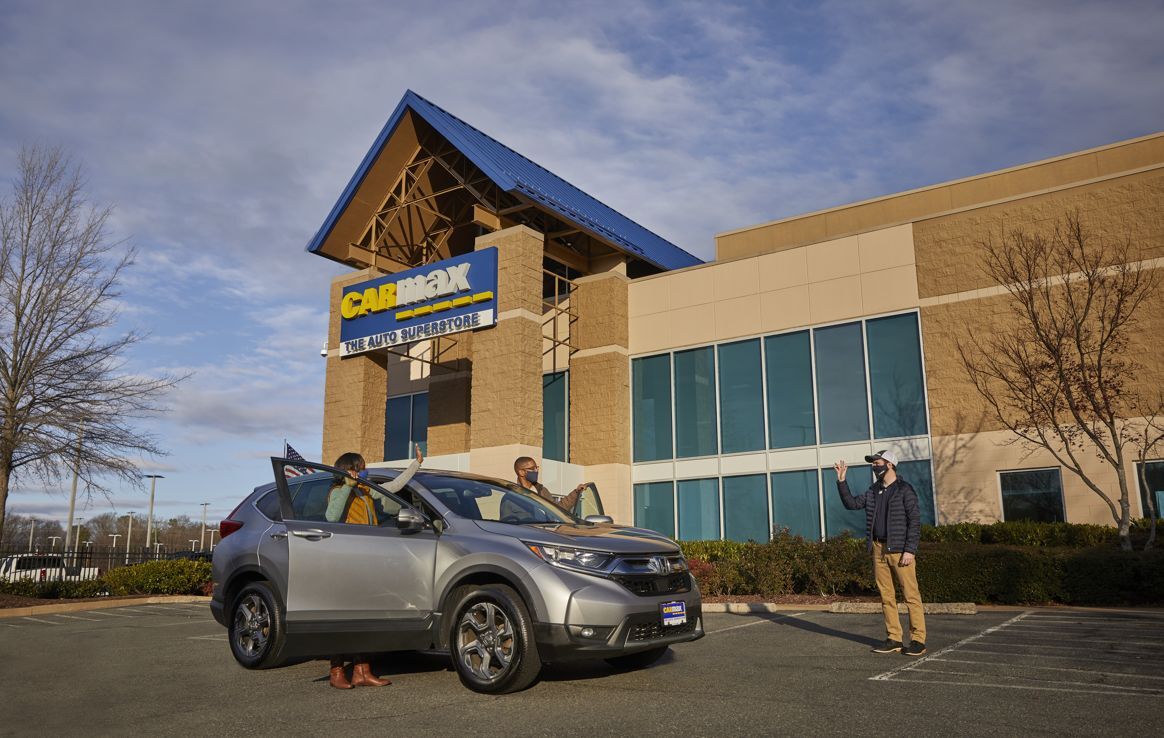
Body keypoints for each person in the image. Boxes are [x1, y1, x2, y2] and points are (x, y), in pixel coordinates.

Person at [323, 445, 424, 689]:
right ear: (349, 470)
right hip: (346, 559)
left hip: (368, 558)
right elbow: (331, 517)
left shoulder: (366, 490)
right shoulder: (338, 491)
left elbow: (394, 487)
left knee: (365, 617)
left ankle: (362, 670)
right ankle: (336, 671)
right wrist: (348, 485)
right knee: (343, 618)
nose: (364, 472)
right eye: (361, 468)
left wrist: (416, 464)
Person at [834, 451, 927, 657]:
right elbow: (852, 504)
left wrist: (910, 550)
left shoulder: (905, 490)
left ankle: (918, 640)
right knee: (886, 596)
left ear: (890, 465)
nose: (874, 467)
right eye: (873, 464)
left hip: (900, 550)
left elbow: (915, 522)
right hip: (878, 549)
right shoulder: (874, 491)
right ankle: (894, 638)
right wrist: (842, 481)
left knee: (911, 595)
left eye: (878, 463)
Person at [514, 456, 589, 514]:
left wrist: (576, 492)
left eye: (536, 468)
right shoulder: (512, 496)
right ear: (521, 472)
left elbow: (558, 509)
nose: (536, 471)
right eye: (532, 468)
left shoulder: (542, 490)